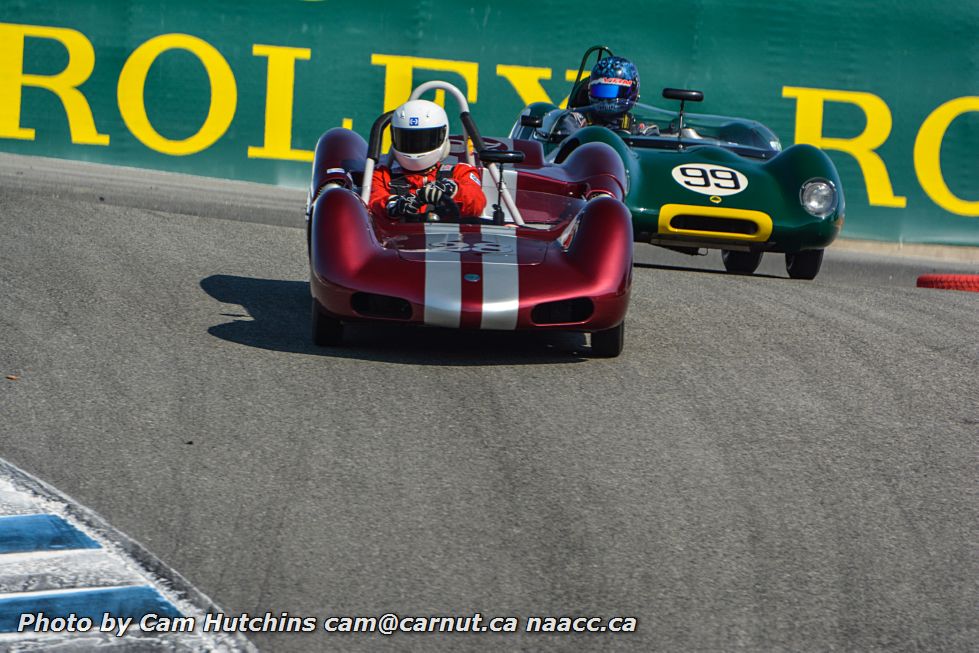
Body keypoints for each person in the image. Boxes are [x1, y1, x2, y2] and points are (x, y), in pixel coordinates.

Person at [369, 99, 486, 220]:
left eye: (423, 140)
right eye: (407, 140)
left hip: (448, 237)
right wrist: (396, 206)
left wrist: (451, 190)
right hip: (399, 236)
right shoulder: (383, 176)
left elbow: (477, 203)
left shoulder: (460, 172)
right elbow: (374, 204)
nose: (415, 145)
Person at [577, 55, 653, 135]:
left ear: (632, 92)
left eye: (611, 91)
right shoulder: (575, 122)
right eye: (601, 91)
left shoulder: (643, 132)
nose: (605, 100)